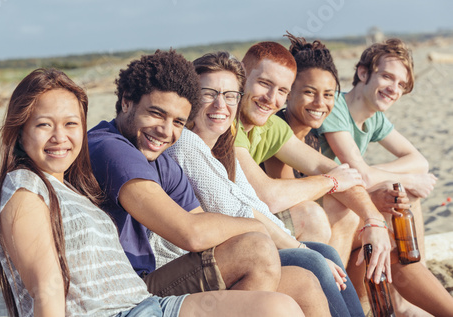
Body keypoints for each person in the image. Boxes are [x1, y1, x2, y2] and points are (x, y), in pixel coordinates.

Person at [0, 68, 304, 317]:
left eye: (71, 124)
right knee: (278, 309)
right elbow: (46, 290)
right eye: (44, 125)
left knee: (284, 303)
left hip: (144, 303)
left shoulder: (67, 186)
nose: (60, 137)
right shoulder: (23, 186)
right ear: (20, 128)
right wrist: (258, 226)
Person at [87, 49, 324, 311]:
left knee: (303, 281)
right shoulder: (110, 147)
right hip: (125, 294)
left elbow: (201, 220)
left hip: (151, 278)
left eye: (178, 121)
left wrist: (253, 227)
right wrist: (255, 227)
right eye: (156, 113)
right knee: (255, 250)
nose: (166, 131)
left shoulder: (160, 158)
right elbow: (192, 234)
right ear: (126, 102)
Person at [166, 51, 365, 316]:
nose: (220, 105)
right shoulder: (186, 143)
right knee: (313, 260)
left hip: (229, 250)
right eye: (209, 93)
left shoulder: (220, 147)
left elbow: (252, 202)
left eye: (229, 96)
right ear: (190, 97)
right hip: (188, 264)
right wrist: (299, 248)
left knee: (322, 252)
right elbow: (236, 211)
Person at [233, 40, 393, 284]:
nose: (271, 98)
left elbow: (333, 169)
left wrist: (374, 220)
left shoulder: (272, 126)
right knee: (312, 215)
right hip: (226, 231)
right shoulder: (226, 124)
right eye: (264, 84)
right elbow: (269, 195)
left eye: (281, 91)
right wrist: (331, 181)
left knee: (357, 219)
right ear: (241, 78)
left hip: (252, 221)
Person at [315, 38, 453, 316]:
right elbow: (359, 174)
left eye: (401, 85)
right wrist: (405, 179)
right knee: (400, 189)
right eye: (387, 77)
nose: (394, 89)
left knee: (402, 193)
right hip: (326, 211)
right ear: (364, 73)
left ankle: (413, 285)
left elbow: (419, 161)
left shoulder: (373, 118)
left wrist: (404, 180)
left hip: (348, 203)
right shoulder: (336, 108)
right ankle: (408, 297)